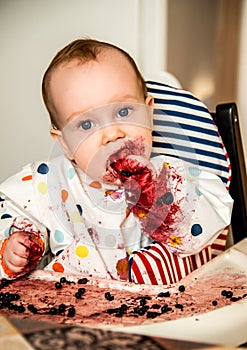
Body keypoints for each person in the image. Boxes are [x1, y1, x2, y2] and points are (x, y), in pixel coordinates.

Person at [0, 38, 233, 285]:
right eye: (86, 125)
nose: (112, 134)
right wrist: (22, 240)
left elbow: (210, 226)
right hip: (74, 305)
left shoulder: (170, 174)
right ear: (65, 144)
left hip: (164, 310)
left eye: (123, 112)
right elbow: (11, 207)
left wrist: (160, 196)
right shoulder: (48, 183)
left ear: (149, 114)